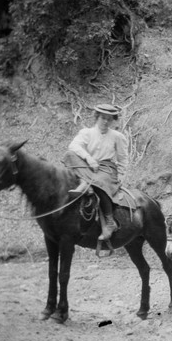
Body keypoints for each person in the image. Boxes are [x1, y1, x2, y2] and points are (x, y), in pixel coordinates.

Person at [63, 103, 129, 241]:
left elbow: (123, 158)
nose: (105, 121)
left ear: (112, 121)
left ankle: (110, 222)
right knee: (69, 154)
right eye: (103, 118)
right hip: (88, 166)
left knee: (100, 181)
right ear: (97, 117)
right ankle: (85, 182)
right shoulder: (87, 133)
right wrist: (88, 158)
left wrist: (122, 174)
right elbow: (74, 146)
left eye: (109, 119)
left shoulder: (117, 136)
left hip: (106, 169)